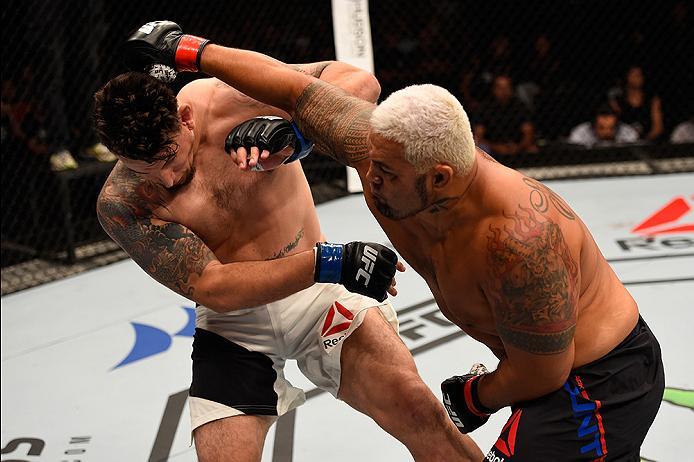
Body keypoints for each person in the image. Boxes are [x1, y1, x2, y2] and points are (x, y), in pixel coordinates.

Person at [125, 21, 666, 461]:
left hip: (594, 385)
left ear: (439, 179)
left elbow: (545, 369)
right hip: (543, 374)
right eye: (370, 161)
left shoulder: (518, 238)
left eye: (384, 172)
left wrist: (475, 397)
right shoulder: (388, 148)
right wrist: (192, 52)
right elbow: (298, 90)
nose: (369, 176)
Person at [94, 25, 483, 462]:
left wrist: (296, 132)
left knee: (419, 410)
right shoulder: (123, 202)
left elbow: (359, 85)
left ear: (184, 117)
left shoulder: (228, 98)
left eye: (168, 156)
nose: (165, 178)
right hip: (236, 325)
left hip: (319, 300)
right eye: (143, 168)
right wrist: (330, 263)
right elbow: (213, 286)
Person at [472, 74, 539, 156]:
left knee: (532, 149)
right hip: (492, 146)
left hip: (516, 145)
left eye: (507, 87)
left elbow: (528, 132)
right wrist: (497, 147)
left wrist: (518, 147)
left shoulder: (519, 106)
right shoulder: (484, 108)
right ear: (494, 90)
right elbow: (478, 137)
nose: (504, 91)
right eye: (500, 88)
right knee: (480, 148)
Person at [608, 65, 664, 142]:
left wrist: (644, 141)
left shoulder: (652, 100)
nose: (638, 77)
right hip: (623, 142)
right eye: (634, 74)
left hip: (648, 142)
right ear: (626, 77)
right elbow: (612, 125)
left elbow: (658, 128)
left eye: (640, 74)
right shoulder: (617, 101)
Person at [568, 103, 639, 147]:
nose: (607, 133)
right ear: (593, 126)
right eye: (601, 128)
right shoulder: (579, 133)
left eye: (611, 128)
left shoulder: (628, 132)